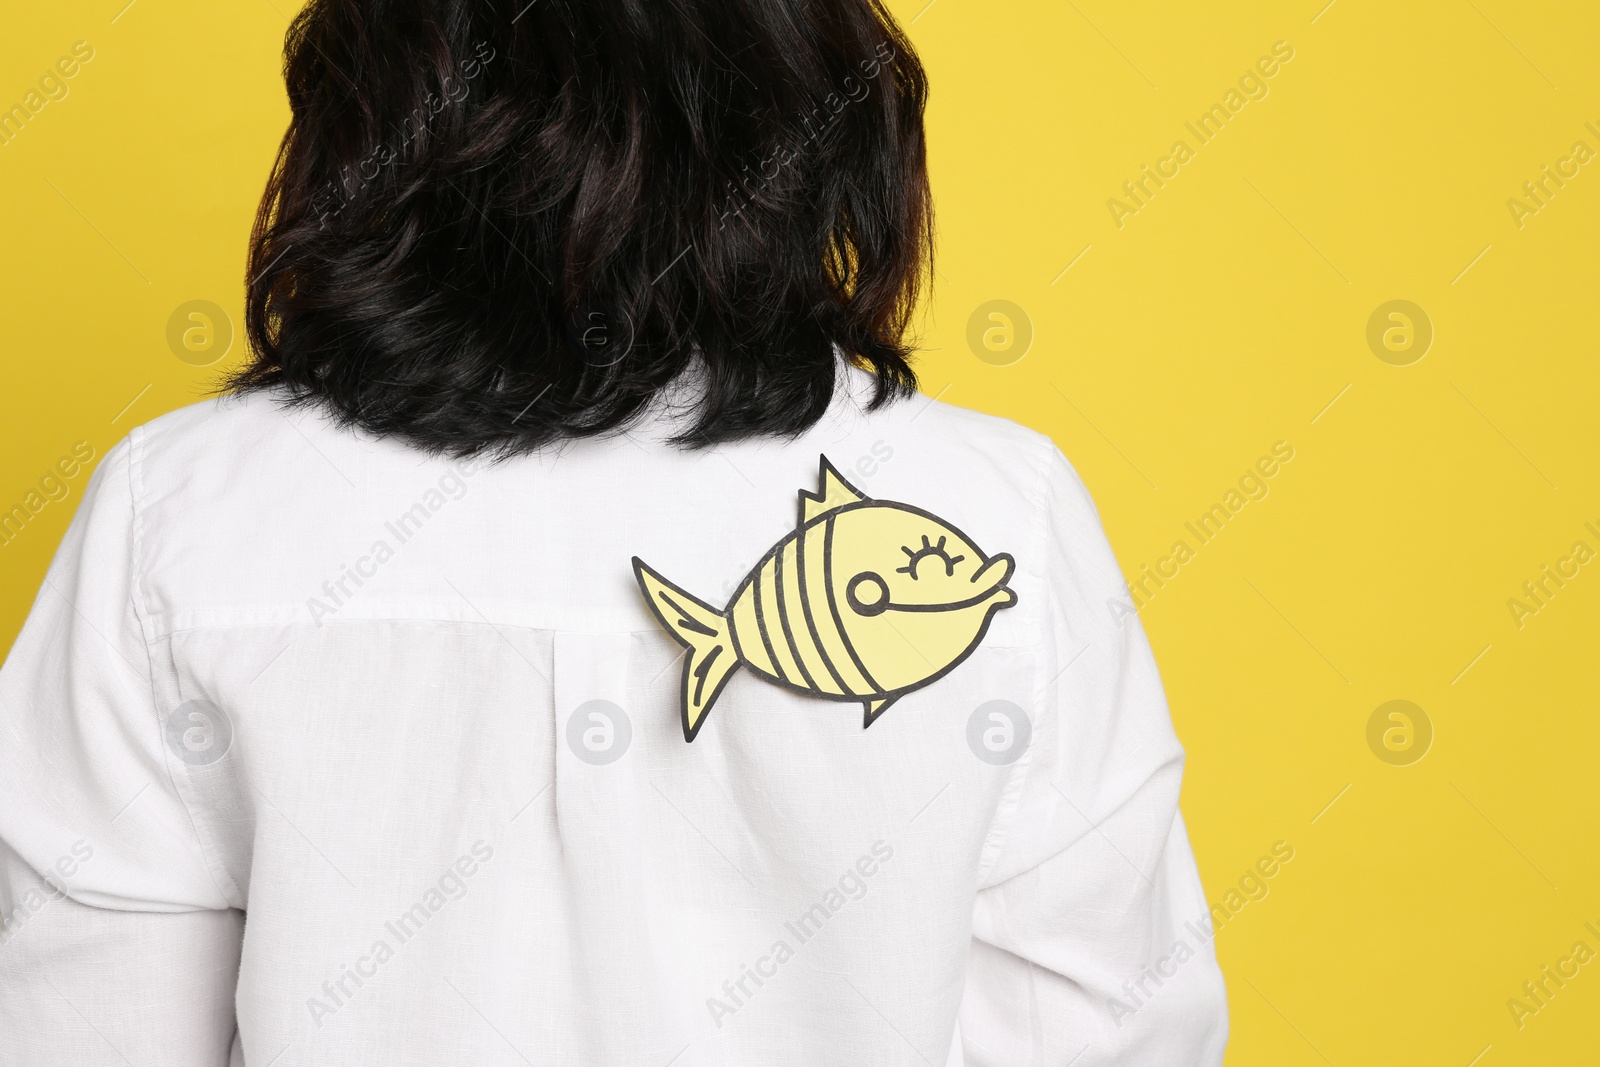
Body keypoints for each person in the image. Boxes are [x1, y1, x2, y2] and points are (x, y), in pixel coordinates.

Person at [0, 1, 1227, 1063]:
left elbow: (74, 1028)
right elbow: (1109, 1028)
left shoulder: (183, 511)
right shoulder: (997, 506)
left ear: (380, 111)